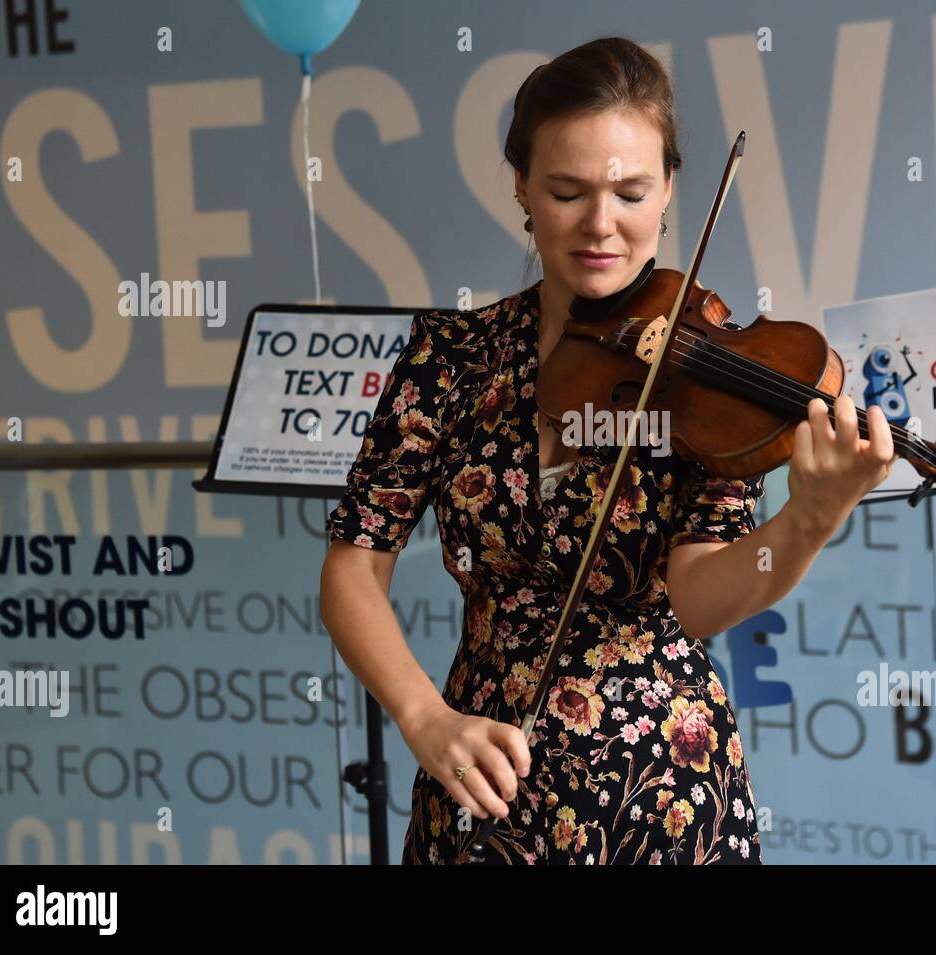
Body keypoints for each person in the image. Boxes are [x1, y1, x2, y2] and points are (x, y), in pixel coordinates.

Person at [319, 35, 896, 865]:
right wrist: (423, 717)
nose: (601, 225)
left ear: (669, 189)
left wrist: (809, 518)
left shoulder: (707, 369)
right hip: (483, 781)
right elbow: (352, 567)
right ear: (521, 186)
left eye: (631, 191)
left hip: (664, 790)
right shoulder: (451, 357)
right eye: (567, 191)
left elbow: (698, 600)